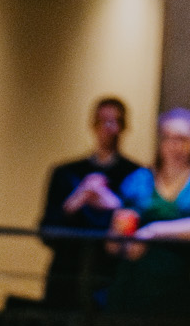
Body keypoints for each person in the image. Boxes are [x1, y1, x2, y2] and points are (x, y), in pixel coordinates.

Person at [90, 107, 190, 317]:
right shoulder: (139, 179)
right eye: (168, 138)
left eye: (182, 139)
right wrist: (125, 243)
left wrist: (153, 231)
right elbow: (113, 243)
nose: (175, 146)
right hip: (131, 292)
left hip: (181, 297)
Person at [36, 94, 142, 307]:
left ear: (123, 127)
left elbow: (134, 235)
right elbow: (46, 232)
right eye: (103, 121)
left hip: (111, 276)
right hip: (67, 275)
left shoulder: (136, 175)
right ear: (93, 125)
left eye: (115, 122)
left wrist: (114, 205)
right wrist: (76, 199)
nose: (108, 128)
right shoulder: (66, 173)